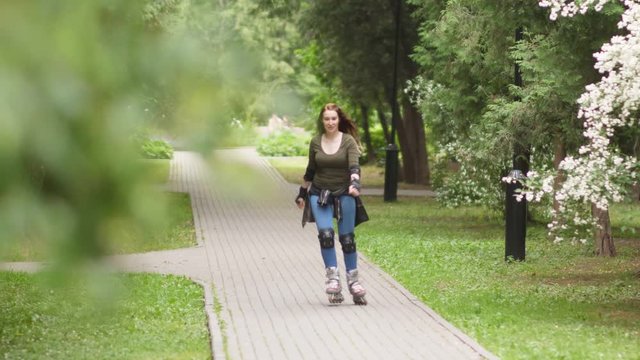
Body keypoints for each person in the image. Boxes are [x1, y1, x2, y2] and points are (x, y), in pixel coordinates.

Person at [295, 103, 368, 305]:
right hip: (320, 194)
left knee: (347, 238)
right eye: (326, 119)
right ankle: (333, 279)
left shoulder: (348, 141)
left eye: (333, 118)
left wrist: (354, 183)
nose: (330, 122)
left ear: (339, 120)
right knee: (326, 235)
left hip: (345, 192)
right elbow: (310, 170)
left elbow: (354, 166)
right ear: (322, 121)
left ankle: (353, 282)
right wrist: (302, 193)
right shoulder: (316, 142)